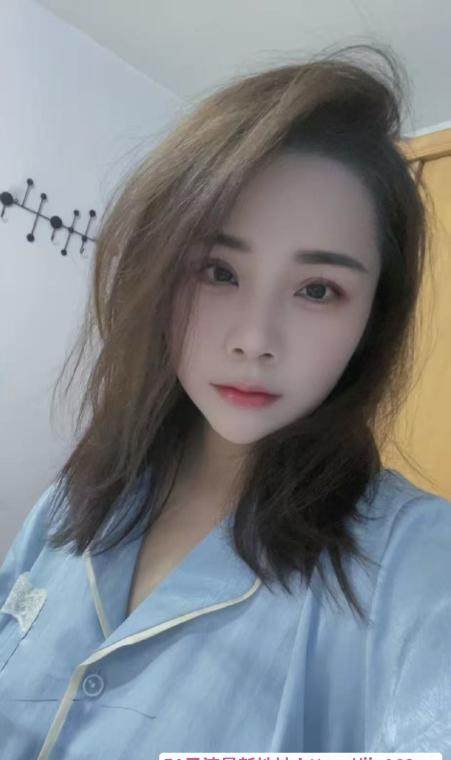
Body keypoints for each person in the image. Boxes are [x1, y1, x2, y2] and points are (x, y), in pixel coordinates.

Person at [1, 42, 451, 760]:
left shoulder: (416, 562)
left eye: (317, 289)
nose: (254, 340)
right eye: (217, 270)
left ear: (373, 315)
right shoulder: (78, 496)